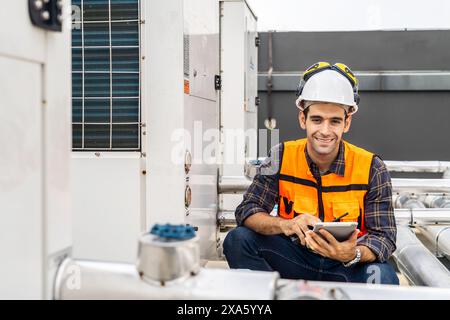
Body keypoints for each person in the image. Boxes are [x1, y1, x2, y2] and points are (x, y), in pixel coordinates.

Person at [223, 62, 399, 284]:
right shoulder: (281, 156)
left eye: (334, 121)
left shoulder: (371, 167)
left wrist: (352, 254)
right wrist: (286, 225)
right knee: (238, 240)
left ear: (347, 122)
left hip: (345, 266)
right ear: (302, 119)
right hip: (295, 258)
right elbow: (247, 210)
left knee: (383, 276)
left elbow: (384, 237)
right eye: (317, 119)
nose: (325, 131)